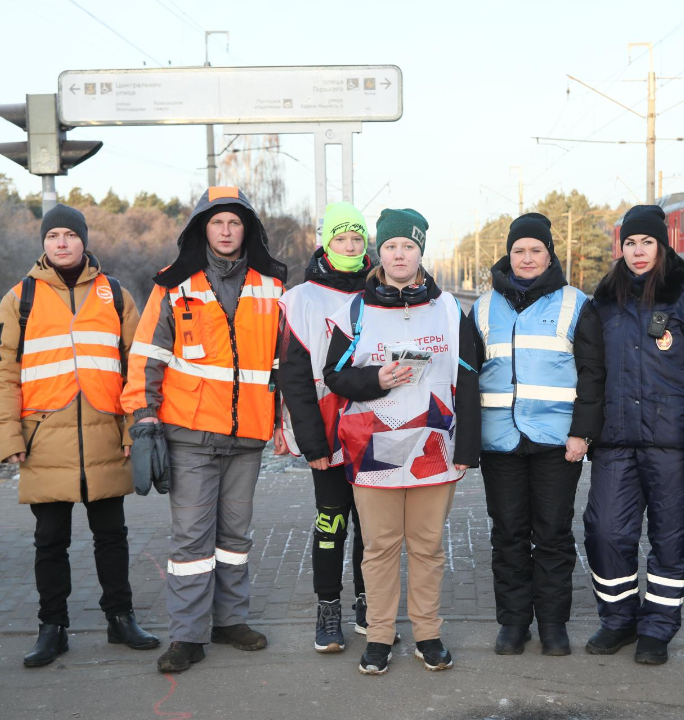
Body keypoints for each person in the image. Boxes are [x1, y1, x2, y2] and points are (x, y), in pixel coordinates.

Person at [0, 203, 160, 667]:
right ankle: (53, 627)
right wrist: (9, 439)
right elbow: (1, 374)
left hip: (106, 436)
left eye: (69, 234)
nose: (61, 242)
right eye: (52, 236)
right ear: (43, 244)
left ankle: (120, 619)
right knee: (50, 539)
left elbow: (136, 365)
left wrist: (134, 426)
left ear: (84, 241)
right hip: (44, 440)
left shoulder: (116, 294)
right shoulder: (18, 298)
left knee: (112, 535)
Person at [122, 186, 287, 674]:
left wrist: (285, 420)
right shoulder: (173, 285)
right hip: (189, 432)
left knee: (235, 535)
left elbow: (283, 360)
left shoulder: (272, 284)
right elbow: (147, 358)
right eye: (217, 223)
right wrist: (144, 419)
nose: (226, 230)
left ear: (247, 230)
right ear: (202, 229)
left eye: (235, 222)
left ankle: (231, 620)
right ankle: (187, 636)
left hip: (247, 435)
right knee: (192, 539)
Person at [323, 208, 480, 675]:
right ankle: (380, 636)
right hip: (373, 449)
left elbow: (469, 380)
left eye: (407, 247)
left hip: (435, 447)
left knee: (428, 546)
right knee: (380, 547)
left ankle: (428, 633)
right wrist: (377, 378)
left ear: (420, 252)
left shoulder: (450, 309)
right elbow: (335, 377)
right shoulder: (353, 311)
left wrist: (467, 447)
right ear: (380, 251)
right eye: (390, 246)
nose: (398, 254)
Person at [580, 205, 684, 665]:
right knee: (605, 532)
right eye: (629, 243)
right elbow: (591, 373)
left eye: (646, 243)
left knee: (669, 539)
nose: (638, 252)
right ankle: (619, 619)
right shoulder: (604, 301)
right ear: (620, 248)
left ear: (662, 246)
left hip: (675, 444)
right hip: (616, 441)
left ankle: (658, 628)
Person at [470, 212, 597, 657]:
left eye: (535, 250)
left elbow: (592, 374)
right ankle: (514, 623)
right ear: (509, 254)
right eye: (519, 250)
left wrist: (583, 433)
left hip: (557, 443)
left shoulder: (575, 303)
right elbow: (469, 377)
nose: (527, 258)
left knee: (553, 534)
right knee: (507, 534)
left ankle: (553, 624)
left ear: (549, 255)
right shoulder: (483, 306)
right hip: (499, 441)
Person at [279, 202, 374, 653]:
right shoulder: (302, 299)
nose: (350, 246)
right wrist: (312, 441)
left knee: (371, 526)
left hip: (377, 429)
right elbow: (294, 377)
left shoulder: (383, 289)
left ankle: (365, 599)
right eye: (341, 238)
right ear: (325, 243)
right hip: (328, 432)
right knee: (332, 521)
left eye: (357, 238)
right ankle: (327, 606)